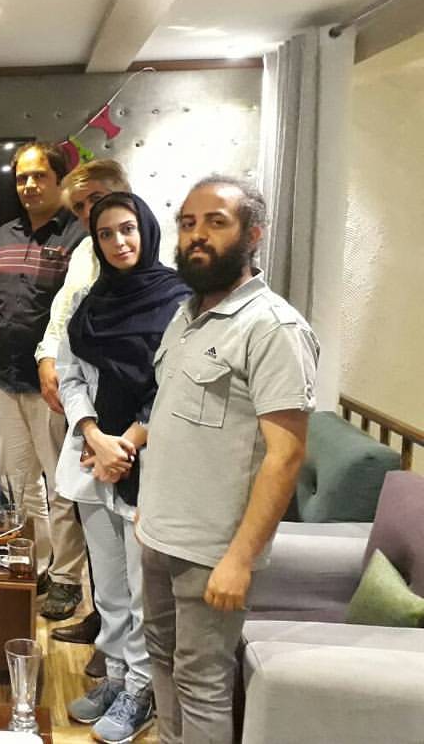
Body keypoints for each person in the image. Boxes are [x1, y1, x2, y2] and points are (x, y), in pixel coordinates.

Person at [139, 176, 318, 743]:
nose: (197, 235)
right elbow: (176, 419)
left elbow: (286, 455)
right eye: (188, 223)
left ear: (252, 235)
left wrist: (239, 560)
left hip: (212, 550)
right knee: (161, 657)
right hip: (159, 535)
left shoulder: (273, 327)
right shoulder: (185, 315)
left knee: (202, 682)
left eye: (216, 222)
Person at [57, 192, 191, 743]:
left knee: (142, 591)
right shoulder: (89, 302)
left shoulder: (180, 302)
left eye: (127, 229)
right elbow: (69, 375)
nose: (118, 242)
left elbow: (173, 386)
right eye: (106, 234)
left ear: (148, 230)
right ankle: (114, 675)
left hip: (146, 462)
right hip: (93, 458)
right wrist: (93, 434)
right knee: (108, 587)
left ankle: (142, 688)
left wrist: (126, 444)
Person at [0, 142, 87, 621]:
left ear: (59, 180)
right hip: (7, 380)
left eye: (39, 176)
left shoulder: (79, 236)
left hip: (56, 387)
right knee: (19, 484)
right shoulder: (1, 235)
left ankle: (67, 578)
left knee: (62, 488)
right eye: (22, 178)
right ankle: (39, 564)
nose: (29, 185)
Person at [35, 158, 132, 655]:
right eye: (79, 207)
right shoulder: (84, 253)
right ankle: (104, 623)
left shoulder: (142, 253)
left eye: (95, 199)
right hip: (84, 406)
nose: (89, 212)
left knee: (125, 535)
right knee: (96, 525)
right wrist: (46, 358)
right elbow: (63, 316)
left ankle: (125, 646)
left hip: (129, 415)